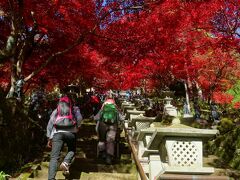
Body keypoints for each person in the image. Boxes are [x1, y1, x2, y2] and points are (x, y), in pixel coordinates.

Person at [46, 95, 82, 180]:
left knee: (54, 157)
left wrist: (49, 137)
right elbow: (80, 118)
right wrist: (78, 127)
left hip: (58, 133)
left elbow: (50, 124)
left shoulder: (57, 110)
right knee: (72, 150)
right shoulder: (74, 109)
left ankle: (51, 178)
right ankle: (66, 162)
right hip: (71, 132)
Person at [94, 97, 123, 164]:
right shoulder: (115, 109)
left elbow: (96, 118)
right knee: (110, 141)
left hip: (102, 126)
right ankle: (109, 157)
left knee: (102, 139)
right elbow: (122, 118)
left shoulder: (103, 108)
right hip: (113, 126)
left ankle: (102, 153)